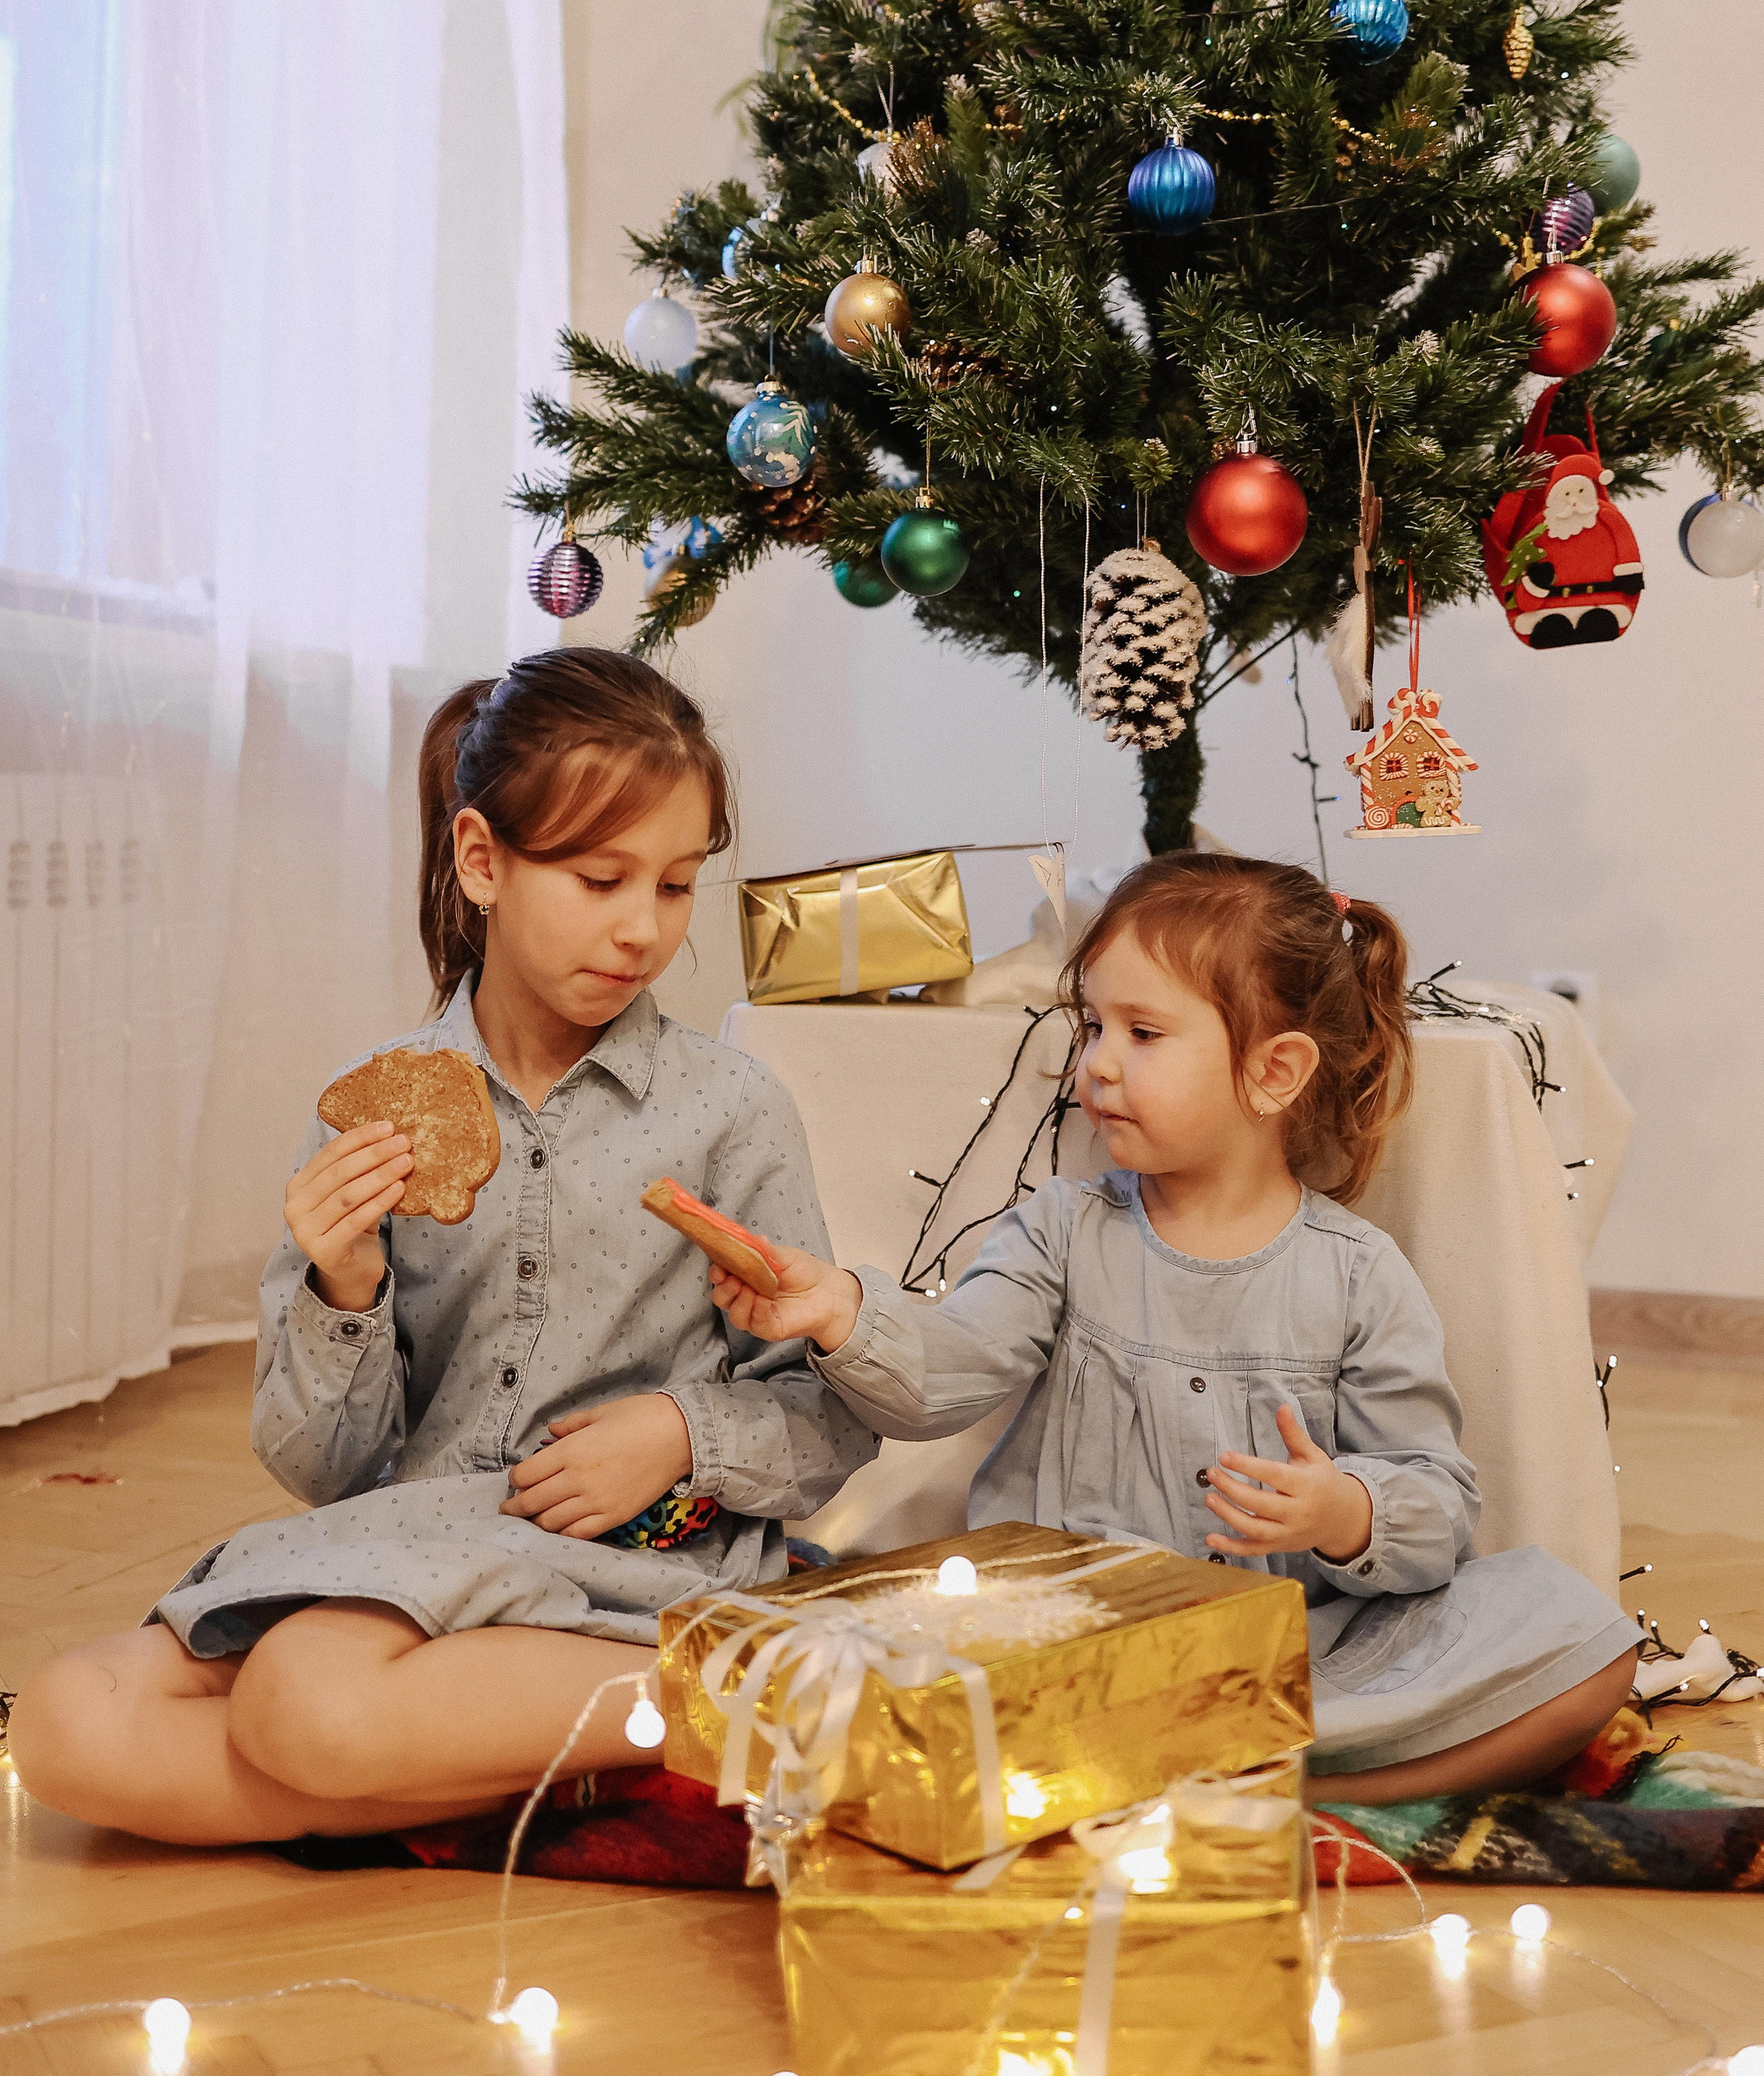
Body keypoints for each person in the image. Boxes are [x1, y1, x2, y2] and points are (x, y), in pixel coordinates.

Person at [10, 649, 874, 1844]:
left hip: (632, 1570)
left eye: (674, 888)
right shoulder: (376, 1114)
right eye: (599, 878)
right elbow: (323, 1469)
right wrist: (343, 1285)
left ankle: (734, 1693)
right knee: (68, 1720)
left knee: (303, 1694)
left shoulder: (731, 1110)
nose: (642, 930)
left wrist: (677, 1430)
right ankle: (488, 1768)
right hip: (417, 1545)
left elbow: (828, 1413)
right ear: (482, 860)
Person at [708, 853, 1639, 1804]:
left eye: (1144, 1032)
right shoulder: (1062, 1233)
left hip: (1291, 1653)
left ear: (1275, 1071)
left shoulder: (1359, 1277)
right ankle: (1203, 1769)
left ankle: (1299, 1792)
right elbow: (945, 1372)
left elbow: (1437, 1505)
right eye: (1093, 1026)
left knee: (1587, 1639)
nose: (1098, 1064)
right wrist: (841, 1311)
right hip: (1071, 1639)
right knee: (807, 1647)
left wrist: (1339, 1511)